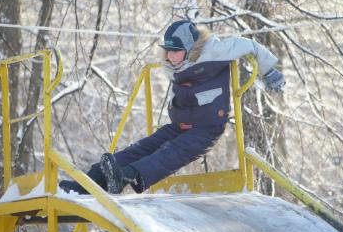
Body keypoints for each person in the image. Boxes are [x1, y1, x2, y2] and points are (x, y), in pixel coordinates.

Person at [60, 20, 285, 195]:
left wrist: (269, 71)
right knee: (143, 147)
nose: (170, 55)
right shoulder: (173, 64)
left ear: (190, 47)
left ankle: (127, 176)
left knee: (170, 152)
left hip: (206, 128)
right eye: (168, 50)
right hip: (180, 124)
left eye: (175, 50)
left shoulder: (215, 51)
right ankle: (88, 181)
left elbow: (250, 46)